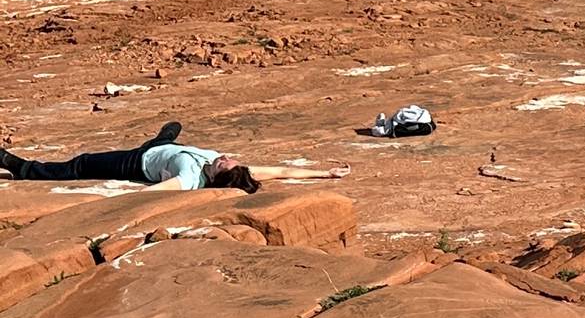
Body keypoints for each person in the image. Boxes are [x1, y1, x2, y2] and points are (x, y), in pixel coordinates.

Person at [0, 123, 349, 193]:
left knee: (81, 164)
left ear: (214, 176)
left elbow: (155, 193)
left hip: (135, 163)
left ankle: (20, 167)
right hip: (161, 150)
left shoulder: (189, 177)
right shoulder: (235, 171)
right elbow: (282, 171)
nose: (226, 156)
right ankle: (164, 137)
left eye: (223, 162)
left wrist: (117, 195)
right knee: (163, 140)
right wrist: (326, 174)